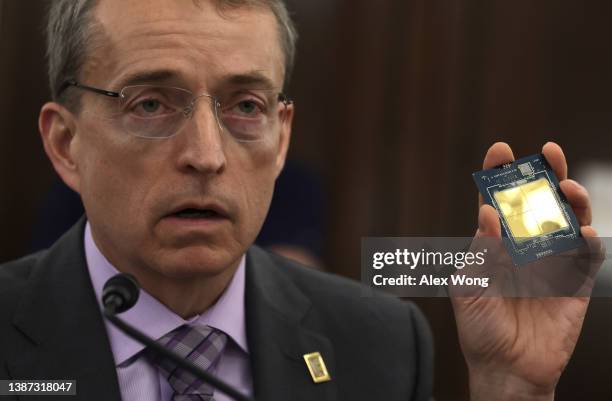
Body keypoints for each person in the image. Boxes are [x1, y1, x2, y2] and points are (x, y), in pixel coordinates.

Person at [0, 1, 602, 400]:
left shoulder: (382, 343)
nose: (206, 156)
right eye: (151, 104)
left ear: (281, 137)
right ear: (66, 142)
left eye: (245, 106)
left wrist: (510, 388)